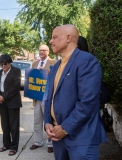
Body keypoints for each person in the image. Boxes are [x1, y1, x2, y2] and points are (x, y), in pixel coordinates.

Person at [44, 24, 107, 160]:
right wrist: (47, 122)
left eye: (54, 37)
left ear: (68, 38)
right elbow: (50, 98)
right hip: (57, 137)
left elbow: (87, 102)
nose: (51, 41)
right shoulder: (56, 66)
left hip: (81, 138)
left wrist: (65, 128)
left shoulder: (87, 61)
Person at [30, 44, 57, 153]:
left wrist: (49, 73)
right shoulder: (34, 63)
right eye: (40, 50)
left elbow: (57, 78)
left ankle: (50, 143)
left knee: (48, 120)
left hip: (48, 97)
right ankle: (37, 141)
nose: (41, 52)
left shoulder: (54, 63)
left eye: (44, 50)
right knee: (37, 121)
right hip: (37, 97)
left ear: (48, 52)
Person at [0, 54, 22, 156]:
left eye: (5, 64)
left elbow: (16, 86)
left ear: (9, 62)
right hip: (2, 103)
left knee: (14, 126)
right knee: (5, 125)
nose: (3, 66)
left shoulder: (16, 71)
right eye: (1, 64)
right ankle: (6, 144)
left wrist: (4, 96)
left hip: (13, 102)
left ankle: (14, 147)